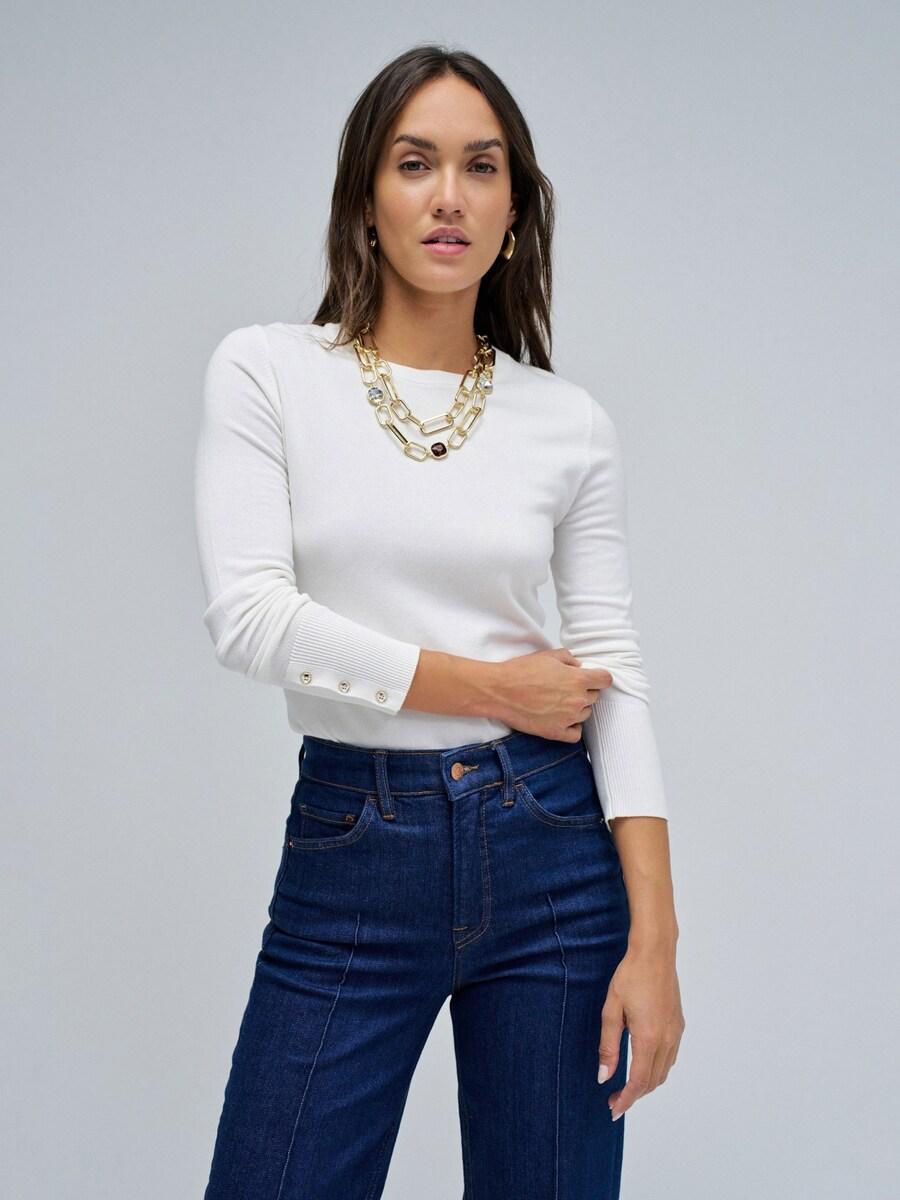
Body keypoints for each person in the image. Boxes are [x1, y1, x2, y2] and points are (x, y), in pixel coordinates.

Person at [194, 43, 684, 1200]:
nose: (449, 195)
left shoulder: (567, 421)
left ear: (516, 212)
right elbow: (252, 618)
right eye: (415, 164)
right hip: (354, 843)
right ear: (367, 198)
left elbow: (614, 670)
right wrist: (492, 686)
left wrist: (656, 940)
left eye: (482, 166)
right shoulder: (269, 373)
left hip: (554, 849)